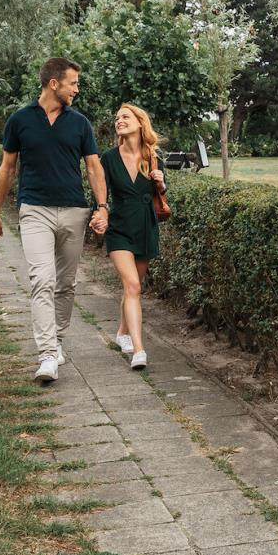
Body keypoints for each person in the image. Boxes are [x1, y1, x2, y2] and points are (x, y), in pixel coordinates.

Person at [0, 58, 108, 385]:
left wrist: (101, 207)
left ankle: (58, 340)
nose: (77, 89)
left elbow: (94, 167)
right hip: (34, 210)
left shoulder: (80, 123)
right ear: (54, 83)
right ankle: (47, 354)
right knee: (42, 279)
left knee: (66, 284)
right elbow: (7, 168)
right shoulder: (20, 120)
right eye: (73, 83)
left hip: (74, 211)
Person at [101, 103, 165, 371]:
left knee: (133, 287)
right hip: (119, 229)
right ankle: (139, 350)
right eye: (117, 118)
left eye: (125, 117)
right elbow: (101, 192)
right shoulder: (108, 158)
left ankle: (122, 332)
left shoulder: (152, 156)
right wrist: (100, 213)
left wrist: (160, 182)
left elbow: (160, 193)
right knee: (133, 287)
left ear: (140, 122)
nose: (119, 121)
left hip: (145, 227)